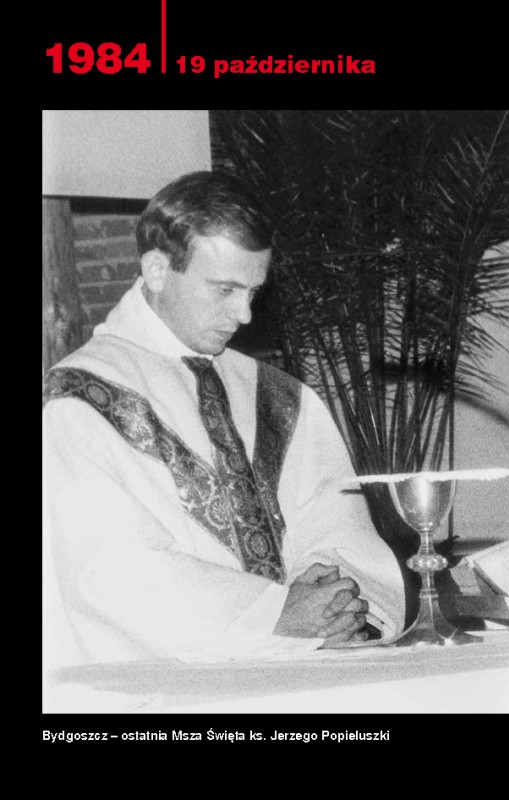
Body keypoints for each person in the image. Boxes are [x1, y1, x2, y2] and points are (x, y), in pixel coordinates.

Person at [43, 171, 405, 667]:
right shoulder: (78, 399)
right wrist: (275, 615)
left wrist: (335, 605)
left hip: (313, 670)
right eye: (225, 289)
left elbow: (336, 525)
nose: (245, 314)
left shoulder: (281, 396)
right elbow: (109, 568)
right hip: (171, 689)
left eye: (253, 292)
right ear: (157, 270)